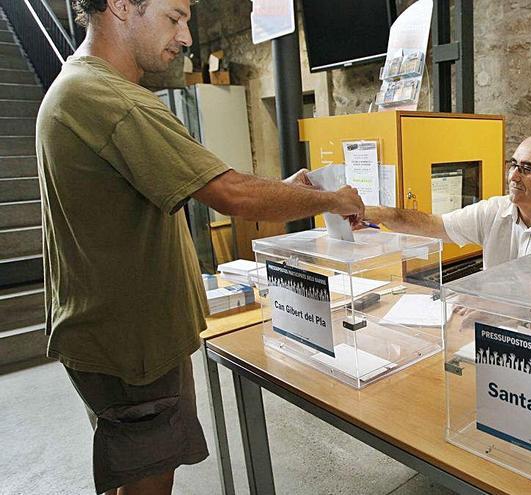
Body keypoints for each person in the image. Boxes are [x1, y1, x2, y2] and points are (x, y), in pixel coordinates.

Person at [36, 1, 363, 494]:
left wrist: (286, 189)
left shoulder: (80, 87)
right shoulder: (109, 98)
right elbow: (229, 193)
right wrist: (331, 199)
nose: (187, 37)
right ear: (123, 6)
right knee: (147, 482)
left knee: (137, 472)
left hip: (114, 334)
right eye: (174, 17)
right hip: (131, 345)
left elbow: (203, 186)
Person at [361, 132, 531, 267]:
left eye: (526, 169)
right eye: (513, 164)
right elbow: (434, 226)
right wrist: (381, 214)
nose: (513, 176)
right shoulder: (495, 210)